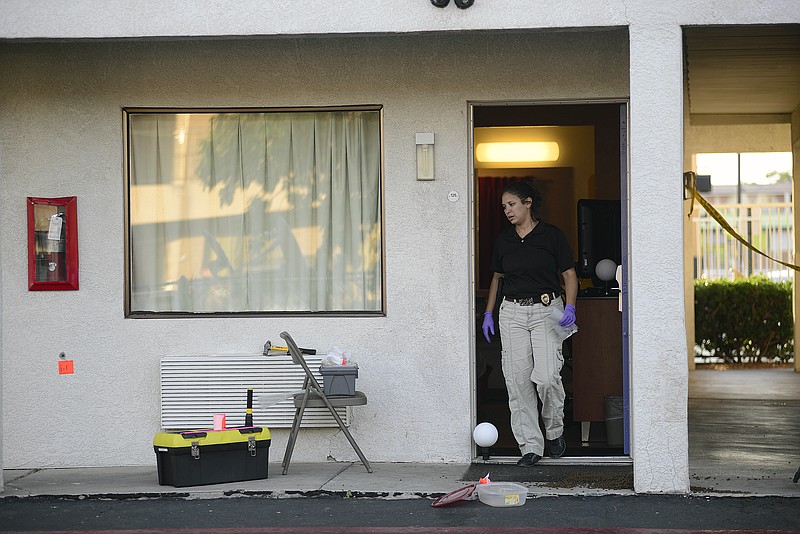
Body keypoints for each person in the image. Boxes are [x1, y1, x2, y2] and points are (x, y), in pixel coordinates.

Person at [482, 180, 578, 467]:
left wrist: (570, 306)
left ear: (527, 203)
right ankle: (530, 447)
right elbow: (497, 279)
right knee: (517, 382)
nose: (507, 211)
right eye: (503, 207)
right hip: (511, 312)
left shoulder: (552, 236)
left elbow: (570, 275)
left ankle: (555, 430)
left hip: (547, 310)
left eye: (511, 204)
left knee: (548, 377)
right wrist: (489, 313)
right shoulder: (504, 241)